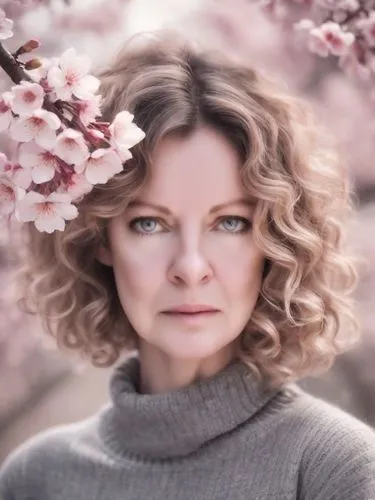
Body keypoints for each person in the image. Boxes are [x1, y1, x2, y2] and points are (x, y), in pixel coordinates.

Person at [1, 31, 375, 500]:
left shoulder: (336, 470)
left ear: (275, 241)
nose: (191, 267)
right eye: (150, 224)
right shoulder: (36, 478)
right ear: (99, 238)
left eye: (232, 222)